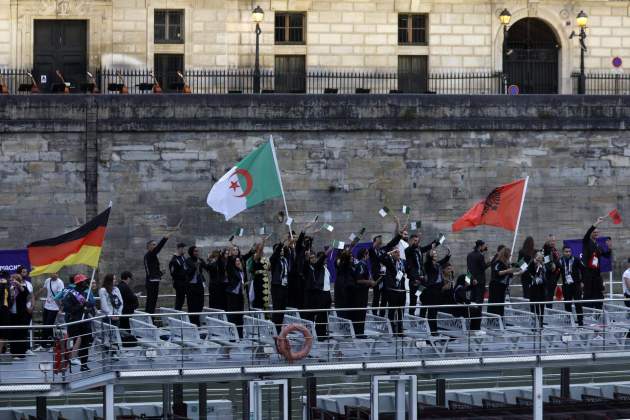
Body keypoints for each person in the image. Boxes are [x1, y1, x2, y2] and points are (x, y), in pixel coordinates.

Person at [61, 274, 95, 371]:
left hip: (84, 322)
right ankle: (68, 362)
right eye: (84, 282)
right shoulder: (71, 294)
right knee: (73, 343)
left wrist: (88, 307)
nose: (86, 283)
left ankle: (84, 364)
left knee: (85, 343)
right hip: (74, 323)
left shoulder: (85, 294)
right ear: (79, 283)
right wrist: (81, 306)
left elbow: (90, 305)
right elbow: (67, 309)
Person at [405, 233, 439, 315]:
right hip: (414, 280)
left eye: (417, 240)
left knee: (423, 297)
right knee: (413, 299)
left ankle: (422, 317)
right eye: (414, 240)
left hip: (422, 280)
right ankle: (411, 317)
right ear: (410, 241)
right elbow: (412, 248)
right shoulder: (408, 250)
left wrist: (439, 240)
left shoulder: (419, 249)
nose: (416, 242)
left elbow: (429, 246)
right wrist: (415, 278)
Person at [582, 217, 612, 309]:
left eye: (597, 233)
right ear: (591, 234)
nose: (595, 234)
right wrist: (597, 222)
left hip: (597, 274)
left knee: (599, 294)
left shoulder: (598, 245)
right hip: (588, 273)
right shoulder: (586, 242)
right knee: (588, 294)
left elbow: (606, 255)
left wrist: (609, 248)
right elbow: (588, 232)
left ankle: (599, 314)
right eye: (594, 232)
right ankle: (587, 315)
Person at [303, 248, 333, 339]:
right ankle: (315, 334)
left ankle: (323, 333)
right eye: (311, 258)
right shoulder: (312, 267)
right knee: (316, 315)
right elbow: (307, 264)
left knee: (324, 315)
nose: (313, 259)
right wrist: (326, 252)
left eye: (314, 257)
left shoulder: (322, 267)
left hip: (323, 293)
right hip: (315, 293)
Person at [422, 247, 451, 334]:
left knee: (435, 312)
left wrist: (448, 255)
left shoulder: (437, 265)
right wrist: (431, 251)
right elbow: (428, 262)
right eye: (433, 254)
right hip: (432, 290)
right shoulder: (428, 265)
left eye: (435, 254)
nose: (435, 255)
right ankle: (432, 331)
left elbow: (443, 261)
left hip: (438, 290)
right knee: (431, 312)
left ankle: (435, 330)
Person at [348, 248, 373, 337]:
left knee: (362, 312)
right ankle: (358, 332)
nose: (368, 256)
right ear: (364, 255)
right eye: (367, 254)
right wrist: (369, 282)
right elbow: (358, 280)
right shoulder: (360, 265)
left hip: (364, 292)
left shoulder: (363, 264)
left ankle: (360, 331)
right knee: (360, 313)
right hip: (360, 294)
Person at [488, 247, 520, 318]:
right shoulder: (498, 262)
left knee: (501, 304)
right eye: (509, 254)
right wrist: (508, 270)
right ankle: (493, 320)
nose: (510, 255)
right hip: (496, 286)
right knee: (495, 304)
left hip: (502, 287)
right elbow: (498, 272)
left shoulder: (506, 263)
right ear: (506, 254)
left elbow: (510, 274)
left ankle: (500, 320)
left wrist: (519, 272)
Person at [144, 234, 170, 314]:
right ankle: (150, 319)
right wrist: (164, 239)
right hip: (151, 281)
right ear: (148, 246)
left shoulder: (151, 255)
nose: (155, 246)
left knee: (152, 301)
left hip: (154, 280)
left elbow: (153, 270)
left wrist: (161, 273)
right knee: (151, 302)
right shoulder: (150, 255)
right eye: (153, 245)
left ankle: (150, 318)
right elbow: (158, 248)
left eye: (155, 244)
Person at [560, 246, 584, 326]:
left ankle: (580, 322)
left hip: (576, 285)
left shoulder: (576, 259)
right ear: (563, 252)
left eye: (569, 251)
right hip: (566, 285)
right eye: (566, 251)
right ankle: (569, 322)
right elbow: (555, 272)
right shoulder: (560, 261)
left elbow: (583, 269)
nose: (568, 253)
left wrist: (582, 281)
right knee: (567, 305)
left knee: (578, 304)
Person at [270, 241, 291, 332]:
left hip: (284, 286)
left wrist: (289, 241)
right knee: (277, 309)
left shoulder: (285, 259)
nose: (282, 251)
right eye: (280, 250)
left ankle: (279, 330)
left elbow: (288, 250)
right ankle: (275, 330)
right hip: (277, 287)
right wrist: (281, 243)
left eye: (282, 250)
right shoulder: (274, 260)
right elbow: (275, 254)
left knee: (282, 310)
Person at [184, 246, 208, 326]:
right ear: (191, 252)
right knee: (192, 306)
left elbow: (207, 267)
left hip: (199, 285)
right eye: (195, 251)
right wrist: (195, 266)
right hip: (191, 286)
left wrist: (212, 260)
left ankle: (197, 321)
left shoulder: (200, 260)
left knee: (200, 304)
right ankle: (193, 323)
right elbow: (187, 272)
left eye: (197, 251)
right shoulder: (188, 261)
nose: (197, 253)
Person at [10, 273, 31, 359]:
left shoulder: (23, 288)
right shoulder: (11, 289)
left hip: (22, 315)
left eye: (13, 280)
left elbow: (25, 293)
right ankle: (14, 353)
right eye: (11, 280)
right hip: (13, 315)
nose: (11, 281)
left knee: (22, 333)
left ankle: (21, 353)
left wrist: (18, 284)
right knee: (13, 333)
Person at [41, 272, 64, 349]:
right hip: (47, 305)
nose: (55, 275)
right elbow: (44, 289)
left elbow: (60, 295)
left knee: (49, 324)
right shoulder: (48, 280)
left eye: (57, 273)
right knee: (45, 324)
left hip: (55, 307)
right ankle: (47, 343)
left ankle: (47, 343)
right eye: (54, 273)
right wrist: (36, 295)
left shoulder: (60, 282)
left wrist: (60, 308)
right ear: (50, 274)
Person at [225, 255, 246, 337]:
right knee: (232, 316)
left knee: (240, 316)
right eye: (236, 261)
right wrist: (231, 254)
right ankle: (232, 336)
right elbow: (229, 264)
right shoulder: (231, 270)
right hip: (232, 295)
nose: (238, 262)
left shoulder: (241, 271)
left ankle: (240, 335)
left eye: (239, 261)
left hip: (240, 296)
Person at [466, 240, 490, 304]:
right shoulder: (480, 256)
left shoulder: (469, 255)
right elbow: (483, 267)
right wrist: (490, 262)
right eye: (484, 246)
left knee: (472, 298)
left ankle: (472, 313)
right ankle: (477, 313)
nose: (485, 247)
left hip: (471, 279)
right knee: (479, 299)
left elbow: (469, 268)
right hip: (479, 281)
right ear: (480, 246)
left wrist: (469, 279)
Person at [528, 251, 547, 328]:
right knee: (533, 306)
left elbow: (545, 275)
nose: (540, 258)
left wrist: (542, 265)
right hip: (533, 288)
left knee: (541, 307)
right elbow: (529, 270)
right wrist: (535, 261)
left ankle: (541, 323)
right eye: (538, 257)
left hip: (541, 288)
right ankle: (534, 324)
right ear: (535, 257)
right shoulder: (532, 264)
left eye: (541, 257)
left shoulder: (543, 265)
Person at [169, 242, 188, 310]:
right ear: (179, 249)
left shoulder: (183, 257)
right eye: (183, 249)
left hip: (184, 282)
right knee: (179, 300)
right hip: (179, 283)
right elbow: (173, 273)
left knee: (182, 300)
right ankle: (177, 314)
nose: (185, 250)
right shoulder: (174, 260)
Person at [543, 235, 561, 306]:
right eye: (551, 241)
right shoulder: (547, 249)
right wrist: (556, 264)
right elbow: (548, 263)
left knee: (551, 294)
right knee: (549, 295)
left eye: (554, 241)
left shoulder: (554, 249)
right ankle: (548, 310)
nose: (553, 242)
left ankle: (549, 309)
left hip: (555, 275)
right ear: (547, 241)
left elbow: (556, 261)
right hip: (549, 276)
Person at [0, 271, 12, 355]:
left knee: (3, 334)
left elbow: (9, 301)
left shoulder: (7, 287)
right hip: (3, 311)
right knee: (2, 334)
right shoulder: (6, 286)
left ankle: (2, 351)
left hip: (4, 311)